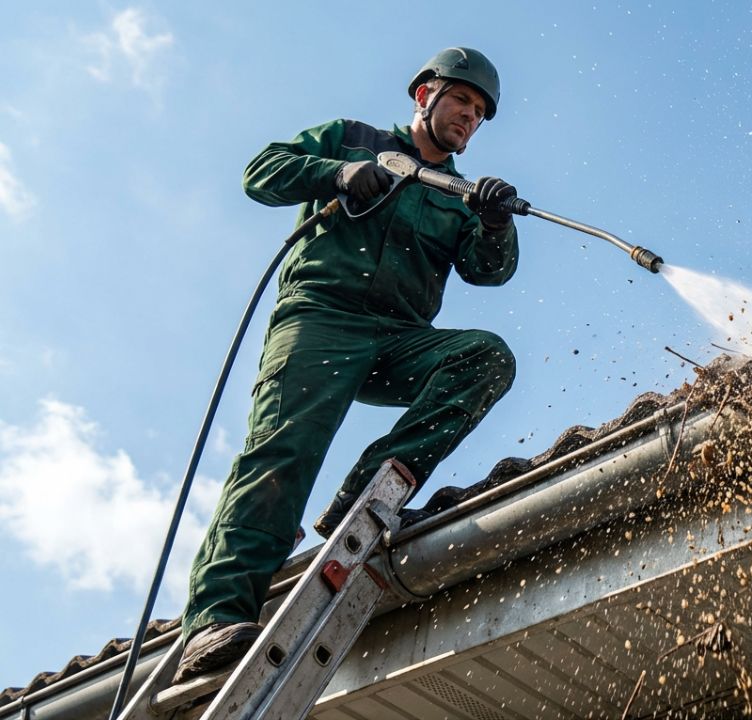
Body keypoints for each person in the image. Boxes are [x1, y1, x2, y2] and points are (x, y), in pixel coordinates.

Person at [174, 47, 519, 682]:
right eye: (461, 102)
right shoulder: (352, 139)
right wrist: (337, 173)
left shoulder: (462, 194)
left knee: (485, 358)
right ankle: (217, 618)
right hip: (321, 319)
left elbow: (487, 271)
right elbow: (262, 172)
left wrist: (496, 221)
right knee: (283, 452)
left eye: (479, 113)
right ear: (424, 95)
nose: (469, 118)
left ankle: (367, 490)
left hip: (399, 337)